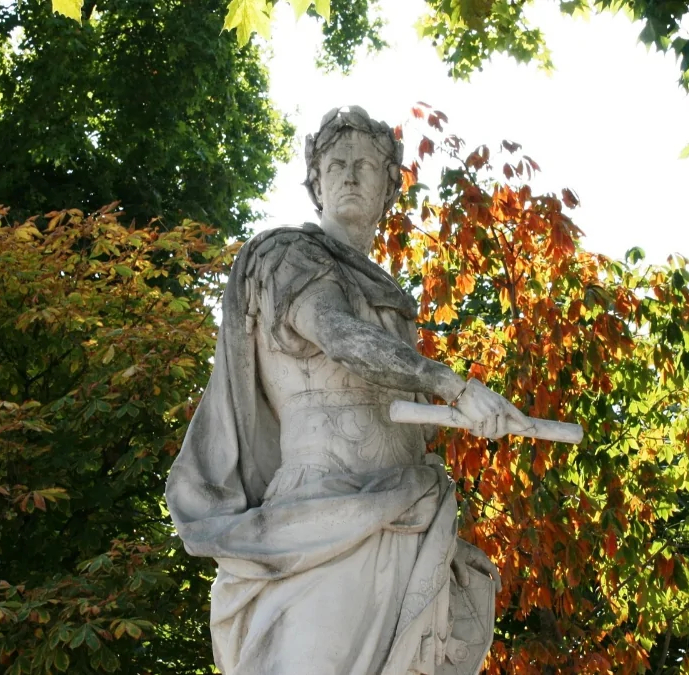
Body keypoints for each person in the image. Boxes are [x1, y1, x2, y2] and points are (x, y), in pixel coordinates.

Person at [165, 106, 530, 675]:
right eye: (335, 165)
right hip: (322, 509)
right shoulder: (285, 254)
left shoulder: (387, 291)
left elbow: (388, 407)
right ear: (315, 183)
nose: (351, 176)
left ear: (390, 186)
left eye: (365, 164)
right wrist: (450, 385)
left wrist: (462, 415)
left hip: (405, 505)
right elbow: (336, 334)